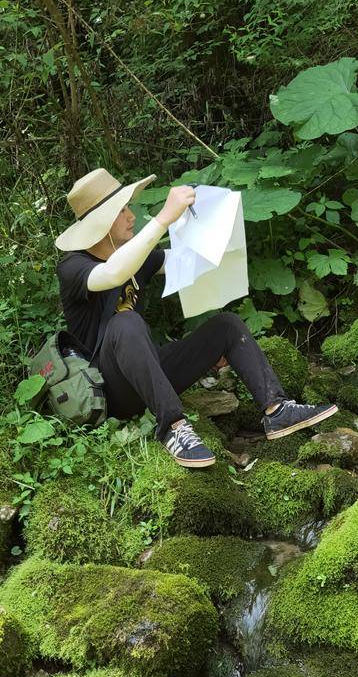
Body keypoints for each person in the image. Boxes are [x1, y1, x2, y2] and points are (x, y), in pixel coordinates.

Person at [55, 168, 338, 468]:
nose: (131, 216)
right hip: (109, 390)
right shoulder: (73, 267)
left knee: (226, 326)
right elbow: (113, 273)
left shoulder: (132, 254)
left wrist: (207, 215)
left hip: (147, 375)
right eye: (122, 210)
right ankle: (173, 427)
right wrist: (163, 218)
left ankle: (277, 410)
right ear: (103, 221)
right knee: (126, 323)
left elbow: (190, 261)